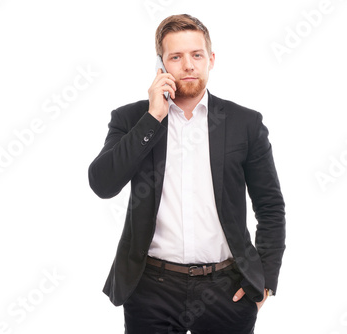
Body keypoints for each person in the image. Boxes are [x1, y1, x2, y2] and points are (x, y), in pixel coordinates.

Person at [88, 14, 286, 334]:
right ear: (161, 64)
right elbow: (103, 184)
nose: (189, 65)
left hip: (227, 289)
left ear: (211, 59)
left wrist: (265, 280)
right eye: (176, 57)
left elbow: (270, 206)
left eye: (196, 55)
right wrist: (153, 117)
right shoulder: (131, 119)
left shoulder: (244, 124)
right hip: (151, 288)